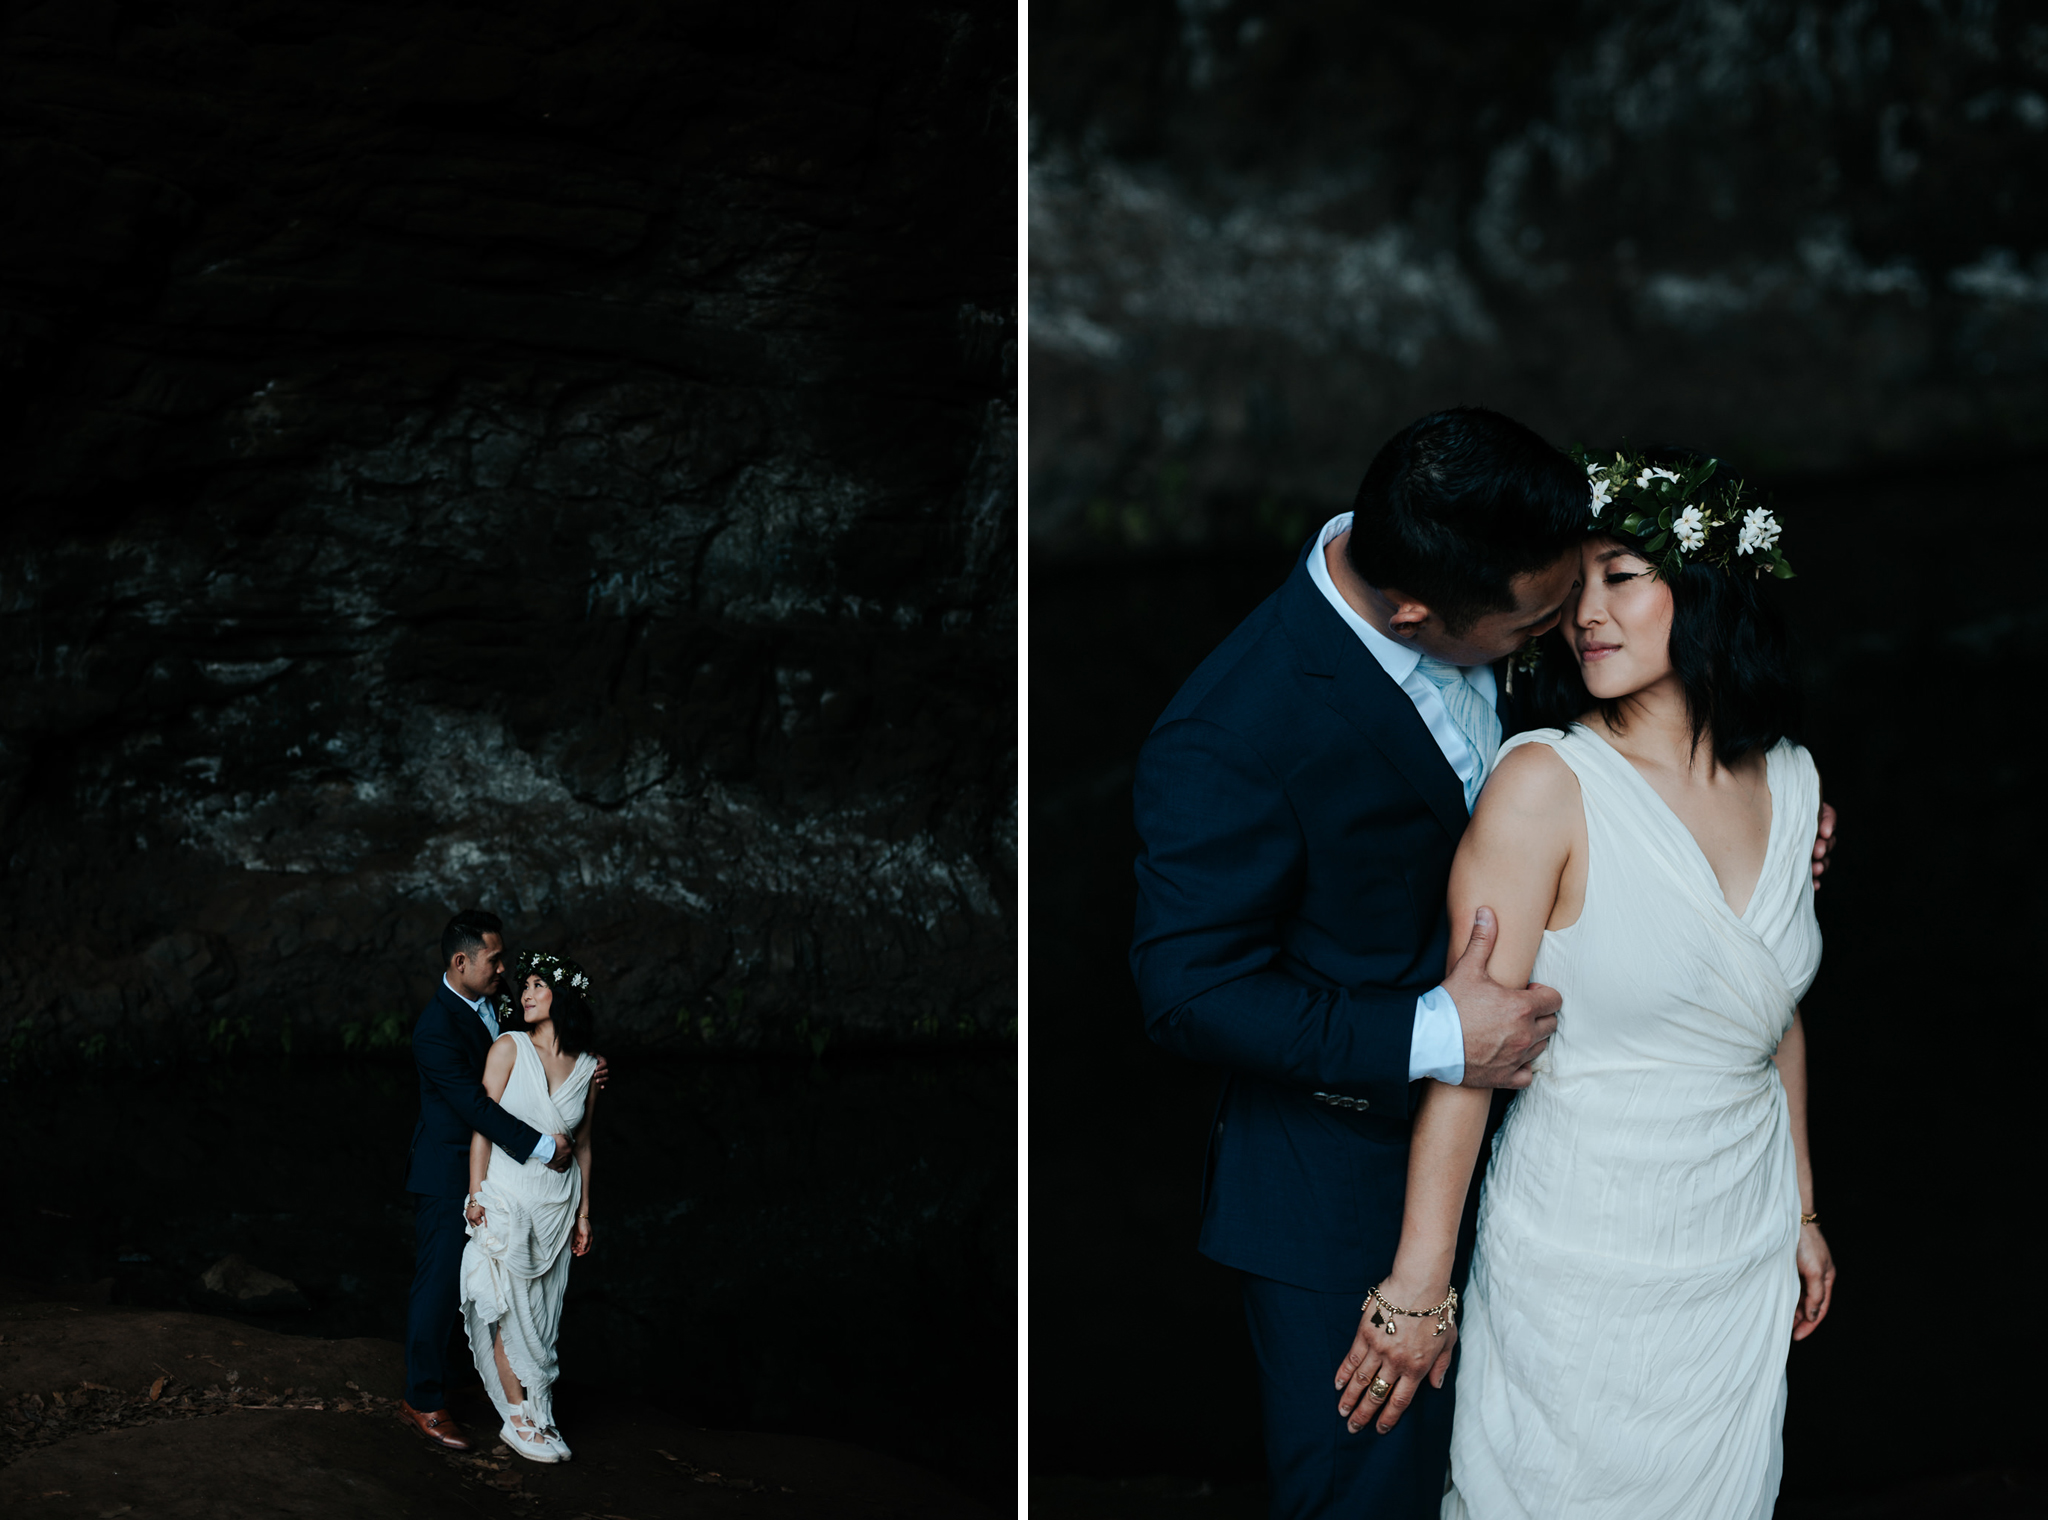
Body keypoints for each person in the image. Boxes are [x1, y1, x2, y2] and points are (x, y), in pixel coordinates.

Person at [1130, 412, 1838, 1519]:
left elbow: (1641, 797)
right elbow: (1187, 991)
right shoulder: (1231, 728)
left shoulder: (1473, 551)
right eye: (1540, 615)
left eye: (1593, 590)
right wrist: (1435, 1031)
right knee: (1371, 1494)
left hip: (1573, 1158)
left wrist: (1744, 852)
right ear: (1419, 617)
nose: (1569, 625)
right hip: (1344, 1174)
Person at [1339, 455, 1836, 1519]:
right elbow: (1468, 1051)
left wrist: (1798, 1207)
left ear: (1706, 586)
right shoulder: (1541, 785)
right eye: (1576, 589)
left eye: (1623, 577)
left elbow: (1766, 1014)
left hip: (1736, 1234)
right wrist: (1417, 1283)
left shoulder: (1791, 779)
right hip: (1580, 1241)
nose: (1585, 616)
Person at [399, 910, 605, 1451]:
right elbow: (472, 1104)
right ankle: (421, 1399)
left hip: (512, 1179)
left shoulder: (500, 997)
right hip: (450, 1172)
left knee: (501, 1290)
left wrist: (588, 1068)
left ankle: (496, 1382)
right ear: (461, 962)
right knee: (442, 1284)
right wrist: (543, 1145)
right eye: (494, 960)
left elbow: (548, 1039)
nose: (505, 969)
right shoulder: (435, 1029)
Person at [459, 950, 601, 1462]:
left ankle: (541, 1415)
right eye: (525, 986)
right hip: (507, 1199)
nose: (525, 993)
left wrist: (584, 1214)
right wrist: (475, 1194)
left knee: (542, 1318)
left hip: (556, 1207)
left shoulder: (588, 1067)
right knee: (510, 1313)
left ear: (563, 997)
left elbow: (583, 1145)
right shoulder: (507, 1048)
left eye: (539, 985)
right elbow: (483, 1126)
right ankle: (518, 1421)